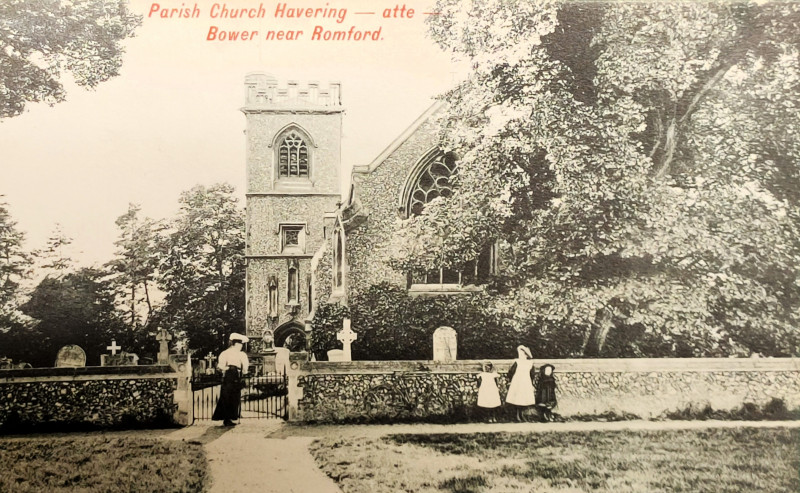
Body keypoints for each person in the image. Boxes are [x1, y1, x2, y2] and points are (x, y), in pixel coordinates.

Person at [212, 333, 250, 426]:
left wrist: (228, 369)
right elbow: (244, 367)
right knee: (231, 396)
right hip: (232, 375)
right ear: (237, 344)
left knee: (230, 396)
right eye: (241, 344)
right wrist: (231, 369)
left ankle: (229, 417)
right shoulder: (234, 353)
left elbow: (221, 365)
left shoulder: (228, 353)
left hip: (232, 375)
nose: (241, 346)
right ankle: (228, 418)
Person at [505, 345, 536, 422]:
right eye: (520, 354)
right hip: (517, 382)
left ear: (526, 355)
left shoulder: (530, 363)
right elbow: (511, 372)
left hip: (526, 382)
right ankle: (517, 415)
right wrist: (510, 381)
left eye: (523, 354)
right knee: (517, 398)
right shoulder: (517, 362)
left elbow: (532, 374)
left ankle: (522, 415)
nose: (521, 355)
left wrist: (531, 383)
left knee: (524, 398)